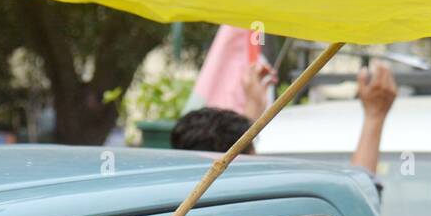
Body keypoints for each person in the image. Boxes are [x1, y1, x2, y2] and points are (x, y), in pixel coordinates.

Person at [170, 57, 398, 201]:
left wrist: (253, 109)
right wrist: (374, 118)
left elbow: (229, 163)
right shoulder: (262, 214)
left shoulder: (169, 208)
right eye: (252, 149)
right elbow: (358, 200)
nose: (256, 156)